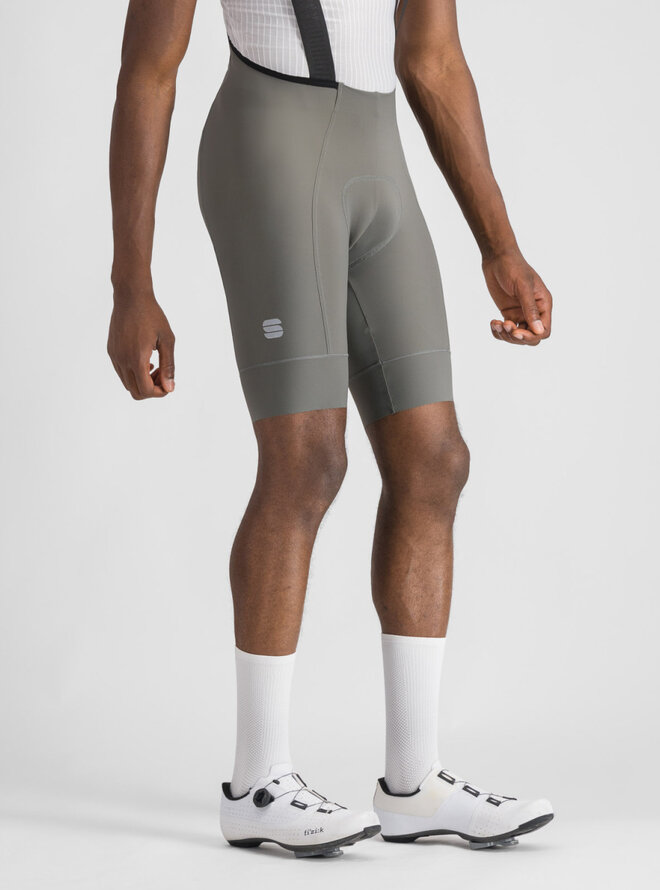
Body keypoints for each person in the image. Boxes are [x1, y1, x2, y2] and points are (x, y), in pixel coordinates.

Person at [107, 0, 554, 859]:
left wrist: (500, 245)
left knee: (436, 460)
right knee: (307, 459)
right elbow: (148, 71)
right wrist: (132, 283)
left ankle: (414, 783)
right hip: (268, 146)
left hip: (378, 154)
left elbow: (432, 58)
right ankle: (257, 783)